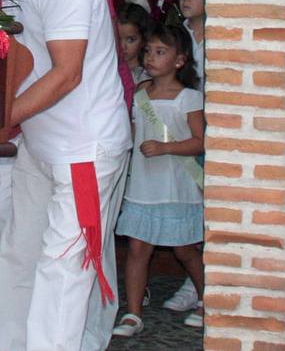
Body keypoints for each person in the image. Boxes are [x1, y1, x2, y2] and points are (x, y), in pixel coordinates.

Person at [0, 0, 131, 351]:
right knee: (19, 254)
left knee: (63, 264)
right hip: (38, 140)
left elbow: (66, 73)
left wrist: (0, 119)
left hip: (81, 145)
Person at [111, 24, 205, 337]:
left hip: (176, 185)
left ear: (179, 60)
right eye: (149, 50)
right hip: (144, 185)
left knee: (185, 250)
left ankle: (209, 299)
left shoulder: (189, 97)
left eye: (160, 52)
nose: (151, 56)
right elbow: (135, 132)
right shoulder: (140, 93)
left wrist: (166, 148)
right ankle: (133, 313)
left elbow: (200, 141)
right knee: (138, 250)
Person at [158, 0, 207, 316]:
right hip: (185, 128)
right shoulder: (181, 37)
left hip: (215, 130)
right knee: (192, 208)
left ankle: (205, 283)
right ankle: (196, 281)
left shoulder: (220, 34)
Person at [116, 2, 151, 87]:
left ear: (143, 39)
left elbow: (144, 101)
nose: (122, 46)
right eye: (118, 39)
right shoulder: (108, 70)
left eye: (130, 40)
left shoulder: (147, 76)